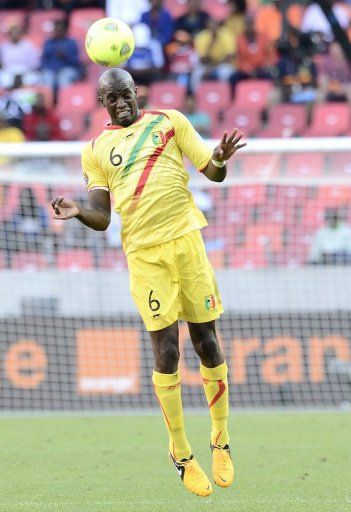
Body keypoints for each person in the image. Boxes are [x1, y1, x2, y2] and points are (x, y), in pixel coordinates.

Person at [51, 68, 246, 497]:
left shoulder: (170, 121)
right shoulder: (96, 150)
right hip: (145, 256)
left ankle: (220, 440)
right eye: (111, 100)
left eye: (125, 95)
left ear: (136, 92)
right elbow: (102, 219)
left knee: (208, 343)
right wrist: (77, 213)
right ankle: (180, 452)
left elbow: (212, 174)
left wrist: (219, 158)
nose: (120, 104)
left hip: (187, 243)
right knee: (168, 351)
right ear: (102, 105)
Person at [41, 19, 83, 96]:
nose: (58, 31)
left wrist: (65, 55)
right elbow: (44, 61)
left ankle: (65, 102)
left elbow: (77, 62)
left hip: (68, 69)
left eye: (60, 29)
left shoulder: (71, 42)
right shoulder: (49, 42)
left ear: (65, 30)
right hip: (51, 70)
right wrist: (51, 69)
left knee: (63, 78)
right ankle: (49, 102)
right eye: (56, 29)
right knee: (48, 78)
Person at [0, 24, 41, 88]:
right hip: (9, 72)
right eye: (13, 33)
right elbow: (2, 62)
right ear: (9, 34)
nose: (15, 35)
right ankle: (7, 95)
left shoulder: (28, 45)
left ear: (21, 34)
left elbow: (34, 62)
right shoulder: (4, 47)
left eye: (17, 33)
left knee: (34, 78)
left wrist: (28, 70)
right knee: (3, 79)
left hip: (25, 72)